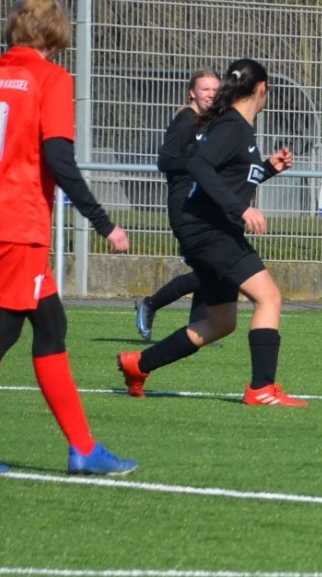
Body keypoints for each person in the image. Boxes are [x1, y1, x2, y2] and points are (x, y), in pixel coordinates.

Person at [0, 0, 137, 475]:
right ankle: (84, 449)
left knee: (50, 326)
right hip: (18, 226)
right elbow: (59, 158)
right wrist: (104, 222)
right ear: (55, 34)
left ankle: (83, 448)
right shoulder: (50, 78)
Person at [116, 58, 301, 406]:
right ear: (262, 88)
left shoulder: (238, 128)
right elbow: (200, 165)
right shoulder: (233, 126)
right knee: (269, 298)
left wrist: (268, 168)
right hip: (210, 229)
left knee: (221, 322)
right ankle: (261, 388)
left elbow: (230, 177)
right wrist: (241, 209)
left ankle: (138, 364)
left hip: (207, 228)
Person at [134, 69, 219, 341]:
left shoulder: (210, 123)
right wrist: (196, 163)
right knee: (211, 269)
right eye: (205, 89)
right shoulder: (185, 122)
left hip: (203, 203)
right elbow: (165, 161)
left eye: (215, 90)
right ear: (192, 92)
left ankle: (198, 329)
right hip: (183, 204)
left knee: (209, 267)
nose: (211, 95)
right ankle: (150, 304)